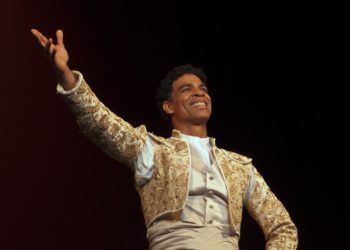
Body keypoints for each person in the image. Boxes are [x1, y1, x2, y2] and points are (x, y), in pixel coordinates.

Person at [31, 29, 298, 250]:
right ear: (169, 106)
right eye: (187, 89)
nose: (199, 94)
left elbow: (282, 227)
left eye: (203, 90)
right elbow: (100, 123)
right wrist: (65, 74)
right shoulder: (152, 151)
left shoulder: (240, 167)